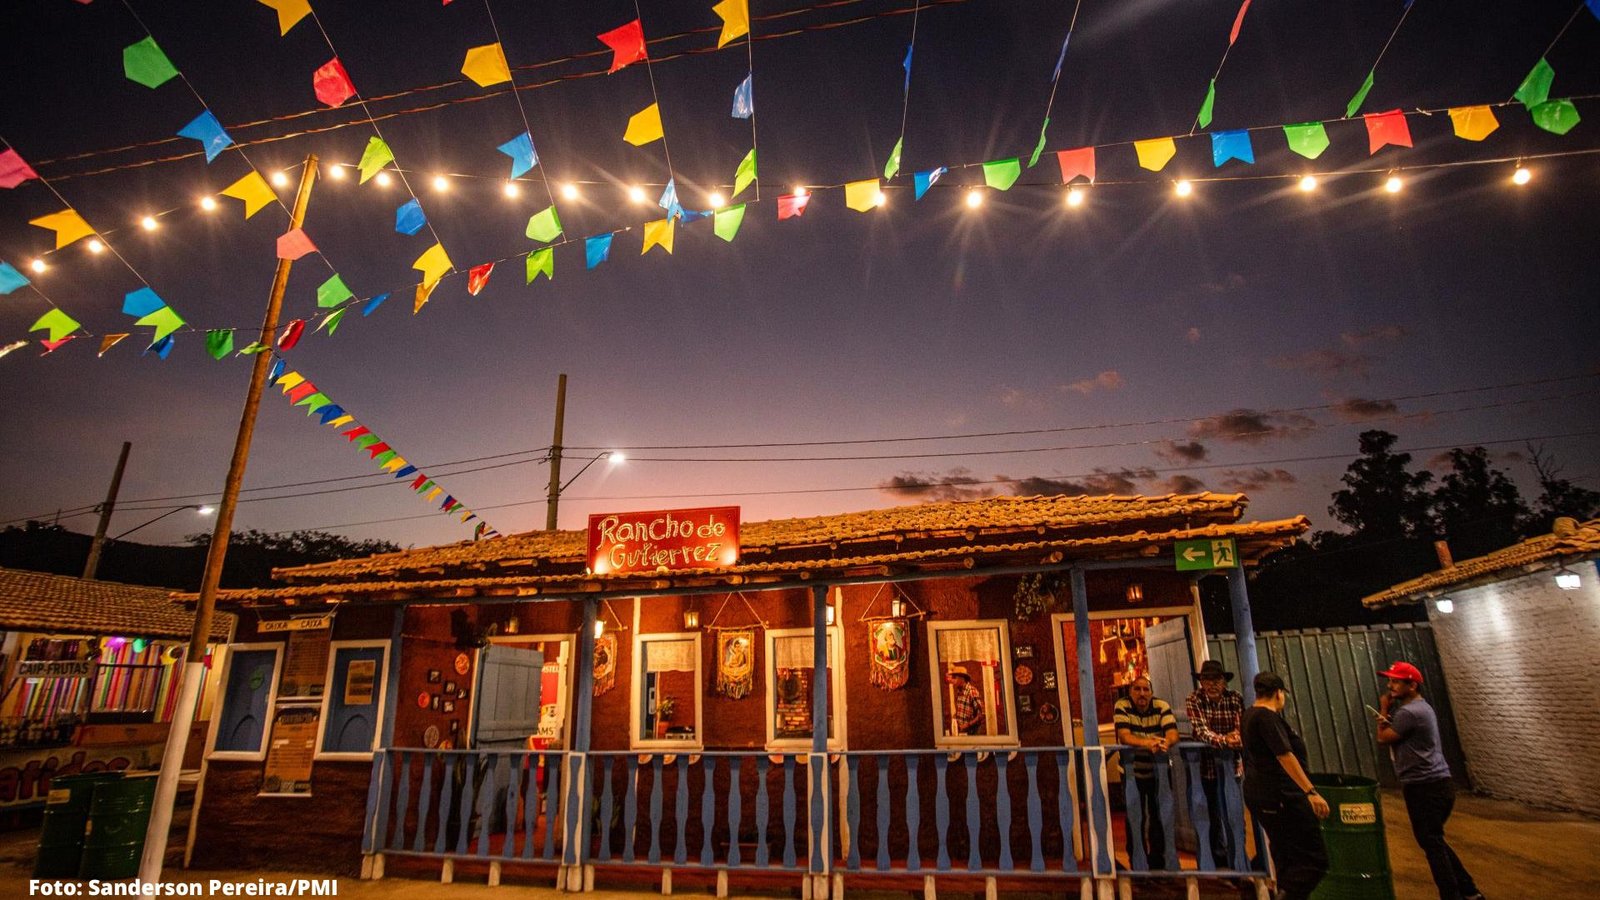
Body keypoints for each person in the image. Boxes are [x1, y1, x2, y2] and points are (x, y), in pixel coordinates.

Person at [1375, 661, 1483, 900]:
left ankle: (1453, 894)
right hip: (1436, 785)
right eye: (1389, 680)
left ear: (1412, 685)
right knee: (1432, 840)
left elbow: (1383, 737)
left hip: (1425, 787)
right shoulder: (1421, 709)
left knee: (1431, 843)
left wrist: (1383, 710)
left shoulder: (1409, 712)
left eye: (1396, 681)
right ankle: (1468, 889)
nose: (1390, 685)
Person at [1241, 671, 1329, 900]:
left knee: (1285, 856)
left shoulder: (1249, 714)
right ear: (1279, 694)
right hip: (1282, 795)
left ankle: (1285, 891)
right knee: (1314, 860)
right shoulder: (1267, 718)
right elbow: (1284, 755)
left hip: (1262, 794)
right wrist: (1310, 791)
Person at [1113, 675, 1180, 870]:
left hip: (1157, 770)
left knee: (1160, 815)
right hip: (1132, 771)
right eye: (1137, 689)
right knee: (1135, 816)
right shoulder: (1122, 706)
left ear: (1151, 692)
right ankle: (1137, 862)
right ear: (1130, 692)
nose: (1142, 694)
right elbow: (1124, 736)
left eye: (1146, 689)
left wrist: (1165, 742)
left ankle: (1158, 862)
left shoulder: (1161, 706)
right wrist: (1148, 742)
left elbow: (1172, 731)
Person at [1185, 659, 1244, 867]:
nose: (1211, 684)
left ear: (1224, 682)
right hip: (1203, 767)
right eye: (1206, 680)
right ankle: (1213, 859)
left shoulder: (1235, 699)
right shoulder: (1194, 699)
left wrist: (1234, 738)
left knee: (1233, 811)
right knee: (1207, 813)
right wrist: (1224, 740)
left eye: (1216, 680)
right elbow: (1200, 731)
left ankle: (1237, 859)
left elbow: (1240, 727)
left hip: (1230, 766)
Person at [949, 671, 984, 735]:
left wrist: (967, 725)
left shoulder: (972, 692)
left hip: (971, 733)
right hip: (962, 732)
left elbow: (980, 715)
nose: (952, 680)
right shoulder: (959, 691)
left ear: (962, 679)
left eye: (955, 677)